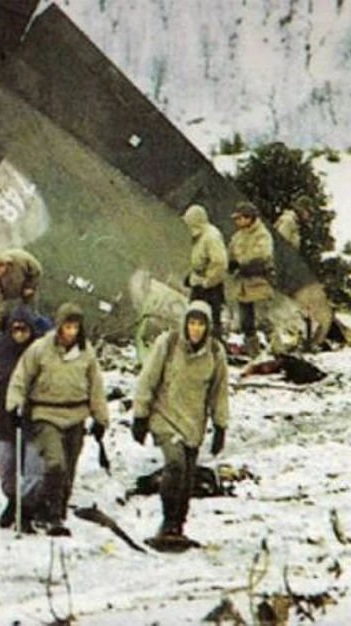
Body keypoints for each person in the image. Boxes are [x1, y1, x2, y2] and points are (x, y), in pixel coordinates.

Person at [5, 303, 109, 536]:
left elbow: (96, 387)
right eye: (67, 326)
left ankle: (57, 509)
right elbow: (21, 378)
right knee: (55, 463)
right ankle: (49, 513)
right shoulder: (40, 349)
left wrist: (101, 418)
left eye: (75, 327)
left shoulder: (86, 352)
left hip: (76, 415)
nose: (71, 332)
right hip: (46, 414)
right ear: (59, 326)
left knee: (69, 468)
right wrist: (14, 405)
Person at [131, 300, 229, 543]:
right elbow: (148, 379)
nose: (196, 329)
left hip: (193, 424)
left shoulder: (215, 353)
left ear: (208, 327)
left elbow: (219, 392)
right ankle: (167, 522)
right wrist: (140, 415)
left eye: (201, 324)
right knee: (175, 465)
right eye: (192, 323)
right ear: (185, 324)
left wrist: (220, 426)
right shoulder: (168, 344)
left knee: (186, 478)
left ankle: (178, 526)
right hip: (165, 417)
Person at [0, 304, 48, 530]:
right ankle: (13, 500)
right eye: (16, 329)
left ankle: (26, 509)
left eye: (24, 330)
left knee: (34, 471)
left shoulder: (42, 350)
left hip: (35, 421)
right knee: (6, 470)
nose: (20, 334)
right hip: (4, 420)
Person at [228, 201, 274, 356]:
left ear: (249, 218)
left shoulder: (262, 235)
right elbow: (231, 254)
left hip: (259, 282)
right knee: (246, 323)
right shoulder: (237, 237)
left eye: (239, 218)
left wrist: (244, 263)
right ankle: (253, 353)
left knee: (264, 322)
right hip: (243, 286)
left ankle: (276, 351)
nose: (237, 221)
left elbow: (262, 255)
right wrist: (231, 263)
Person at [182, 204, 228, 340]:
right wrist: (191, 276)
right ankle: (195, 342)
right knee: (195, 315)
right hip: (200, 281)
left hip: (209, 286)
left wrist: (208, 282)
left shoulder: (211, 237)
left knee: (209, 319)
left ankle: (213, 345)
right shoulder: (201, 235)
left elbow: (220, 263)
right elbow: (201, 260)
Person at [0, 248, 42, 331]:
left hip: (25, 287)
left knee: (30, 312)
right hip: (5, 292)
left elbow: (37, 271)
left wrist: (30, 286)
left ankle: (34, 329)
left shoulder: (22, 259)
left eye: (1, 265)